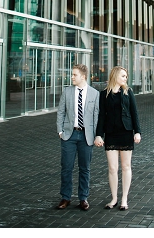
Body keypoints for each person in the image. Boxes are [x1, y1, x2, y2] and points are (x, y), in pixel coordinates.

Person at [94, 66, 142, 211]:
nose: (125, 78)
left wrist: (137, 132)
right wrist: (98, 134)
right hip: (111, 134)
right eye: (123, 76)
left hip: (126, 132)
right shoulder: (104, 94)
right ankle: (114, 198)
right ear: (115, 76)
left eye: (126, 76)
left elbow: (134, 113)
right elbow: (101, 115)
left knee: (126, 166)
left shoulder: (128, 92)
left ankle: (124, 199)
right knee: (112, 168)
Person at [56, 63, 100, 210]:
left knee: (85, 168)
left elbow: (96, 117)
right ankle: (65, 197)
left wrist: (97, 135)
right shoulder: (67, 92)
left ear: (83, 76)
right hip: (69, 134)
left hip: (86, 136)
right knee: (66, 168)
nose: (72, 77)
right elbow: (61, 112)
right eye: (72, 74)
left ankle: (83, 198)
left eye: (74, 75)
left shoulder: (94, 93)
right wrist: (60, 131)